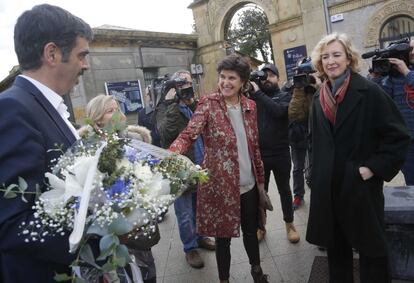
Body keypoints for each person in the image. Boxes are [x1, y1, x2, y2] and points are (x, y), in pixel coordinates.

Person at [306, 32, 410, 283]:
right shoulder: (318, 99)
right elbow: (314, 141)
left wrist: (372, 168)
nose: (331, 61)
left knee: (371, 251)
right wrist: (314, 174)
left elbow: (398, 136)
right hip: (329, 188)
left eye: (336, 55)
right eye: (326, 56)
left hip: (360, 186)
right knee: (336, 251)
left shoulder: (370, 91)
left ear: (349, 58)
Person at [0, 4, 92, 282]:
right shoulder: (13, 109)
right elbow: (12, 225)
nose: (86, 65)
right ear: (52, 53)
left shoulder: (47, 106)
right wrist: (101, 233)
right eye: (82, 55)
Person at [169, 54, 270, 283]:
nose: (225, 82)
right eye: (222, 77)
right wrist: (172, 153)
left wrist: (261, 181)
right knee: (223, 239)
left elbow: (255, 147)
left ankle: (257, 271)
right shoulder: (209, 104)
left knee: (251, 231)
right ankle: (224, 279)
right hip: (220, 186)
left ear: (242, 81)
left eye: (231, 78)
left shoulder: (250, 106)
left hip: (249, 183)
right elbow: (189, 134)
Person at [80, 94, 157, 283]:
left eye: (118, 109)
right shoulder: (86, 148)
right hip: (109, 229)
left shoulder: (134, 140)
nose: (117, 114)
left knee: (147, 272)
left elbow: (149, 173)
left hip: (138, 225)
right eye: (110, 111)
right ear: (96, 118)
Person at [156, 70, 216, 269]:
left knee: (200, 207)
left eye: (188, 83)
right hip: (180, 170)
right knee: (184, 214)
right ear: (173, 87)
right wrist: (172, 104)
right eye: (181, 84)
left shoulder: (195, 103)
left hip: (199, 165)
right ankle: (190, 248)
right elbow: (165, 133)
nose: (186, 88)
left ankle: (201, 237)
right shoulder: (164, 106)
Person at [250, 63, 300, 244]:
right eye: (264, 76)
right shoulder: (253, 97)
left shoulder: (286, 95)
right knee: (260, 193)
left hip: (280, 153)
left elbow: (279, 112)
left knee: (285, 190)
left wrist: (258, 93)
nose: (267, 79)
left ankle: (290, 224)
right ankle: (260, 226)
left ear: (278, 78)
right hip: (260, 154)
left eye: (271, 75)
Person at [376, 38, 414, 185]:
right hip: (408, 140)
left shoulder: (405, 72)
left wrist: (406, 71)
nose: (412, 53)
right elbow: (381, 100)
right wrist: (378, 77)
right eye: (410, 49)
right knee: (411, 183)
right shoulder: (394, 77)